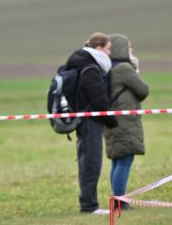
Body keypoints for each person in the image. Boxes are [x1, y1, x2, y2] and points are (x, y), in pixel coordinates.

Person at [62, 32, 118, 214]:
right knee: (91, 164)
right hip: (89, 122)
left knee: (88, 162)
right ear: (99, 48)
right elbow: (98, 100)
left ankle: (88, 203)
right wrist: (111, 121)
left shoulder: (83, 63)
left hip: (84, 121)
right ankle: (89, 205)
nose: (110, 53)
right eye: (108, 49)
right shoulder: (91, 68)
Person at [104, 34, 149, 210]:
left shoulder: (109, 68)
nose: (131, 49)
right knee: (124, 160)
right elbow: (143, 90)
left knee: (117, 161)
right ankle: (120, 201)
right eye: (128, 46)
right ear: (120, 48)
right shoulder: (124, 68)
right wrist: (135, 70)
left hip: (113, 122)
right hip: (125, 123)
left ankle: (117, 199)